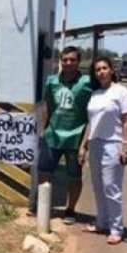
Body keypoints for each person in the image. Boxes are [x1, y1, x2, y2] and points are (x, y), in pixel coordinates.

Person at [31, 46, 92, 224]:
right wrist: (43, 129)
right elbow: (47, 106)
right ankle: (43, 207)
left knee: (74, 175)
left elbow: (92, 112)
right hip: (53, 135)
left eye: (72, 60)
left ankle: (70, 210)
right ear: (60, 61)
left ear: (78, 62)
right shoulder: (52, 81)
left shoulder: (87, 82)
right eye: (65, 60)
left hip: (75, 137)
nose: (68, 63)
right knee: (44, 171)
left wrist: (85, 142)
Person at [78, 56, 127, 245]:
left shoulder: (121, 92)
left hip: (113, 144)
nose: (101, 72)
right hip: (95, 143)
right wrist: (83, 145)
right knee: (97, 186)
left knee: (111, 187)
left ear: (112, 70)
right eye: (97, 69)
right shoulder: (95, 94)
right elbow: (91, 123)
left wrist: (126, 146)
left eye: (104, 68)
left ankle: (117, 228)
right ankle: (101, 222)